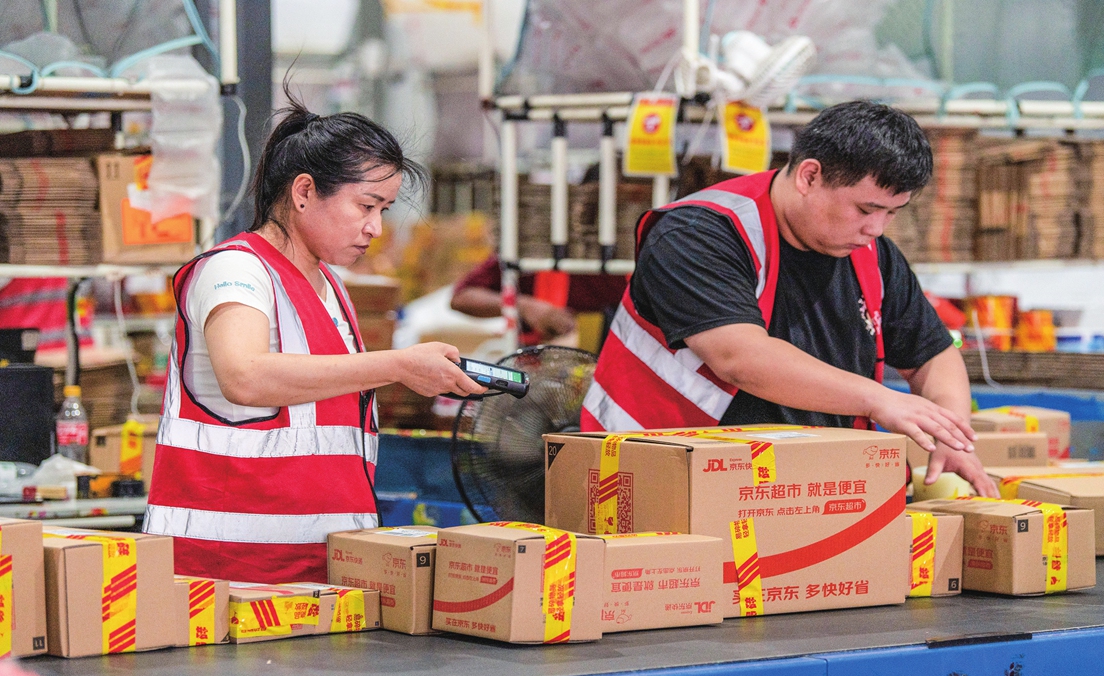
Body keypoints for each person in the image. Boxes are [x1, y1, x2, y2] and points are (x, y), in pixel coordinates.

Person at [144, 90, 486, 583]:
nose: (374, 228)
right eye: (366, 205)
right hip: (225, 575)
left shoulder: (330, 288)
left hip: (316, 568)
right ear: (303, 192)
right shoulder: (236, 270)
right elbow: (245, 375)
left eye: (384, 210)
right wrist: (398, 366)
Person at [582, 100, 998, 497]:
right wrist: (879, 400)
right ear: (809, 176)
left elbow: (933, 355)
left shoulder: (871, 253)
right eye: (866, 209)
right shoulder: (697, 233)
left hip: (794, 490)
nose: (877, 228)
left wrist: (952, 433)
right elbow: (740, 358)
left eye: (892, 213)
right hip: (651, 481)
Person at [449, 254, 628, 345]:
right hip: (537, 368)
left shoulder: (625, 251)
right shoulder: (523, 249)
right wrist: (523, 306)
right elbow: (461, 297)